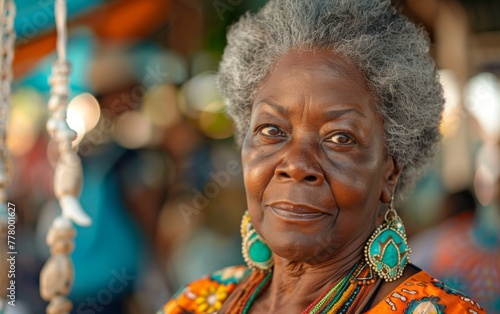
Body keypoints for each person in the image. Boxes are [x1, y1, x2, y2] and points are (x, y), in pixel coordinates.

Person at [158, 0, 486, 313]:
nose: (297, 165)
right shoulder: (196, 301)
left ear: (390, 172)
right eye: (272, 130)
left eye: (340, 138)